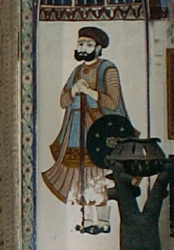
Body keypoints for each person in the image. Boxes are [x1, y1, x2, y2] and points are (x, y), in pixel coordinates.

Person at [42, 26, 130, 203]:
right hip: (75, 129)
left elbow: (113, 102)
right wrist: (74, 90)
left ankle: (101, 211)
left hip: (99, 126)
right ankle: (83, 210)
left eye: (89, 45)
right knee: (78, 173)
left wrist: (89, 92)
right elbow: (63, 102)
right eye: (80, 44)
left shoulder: (108, 69)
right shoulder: (77, 72)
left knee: (100, 170)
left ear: (98, 48)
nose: (83, 48)